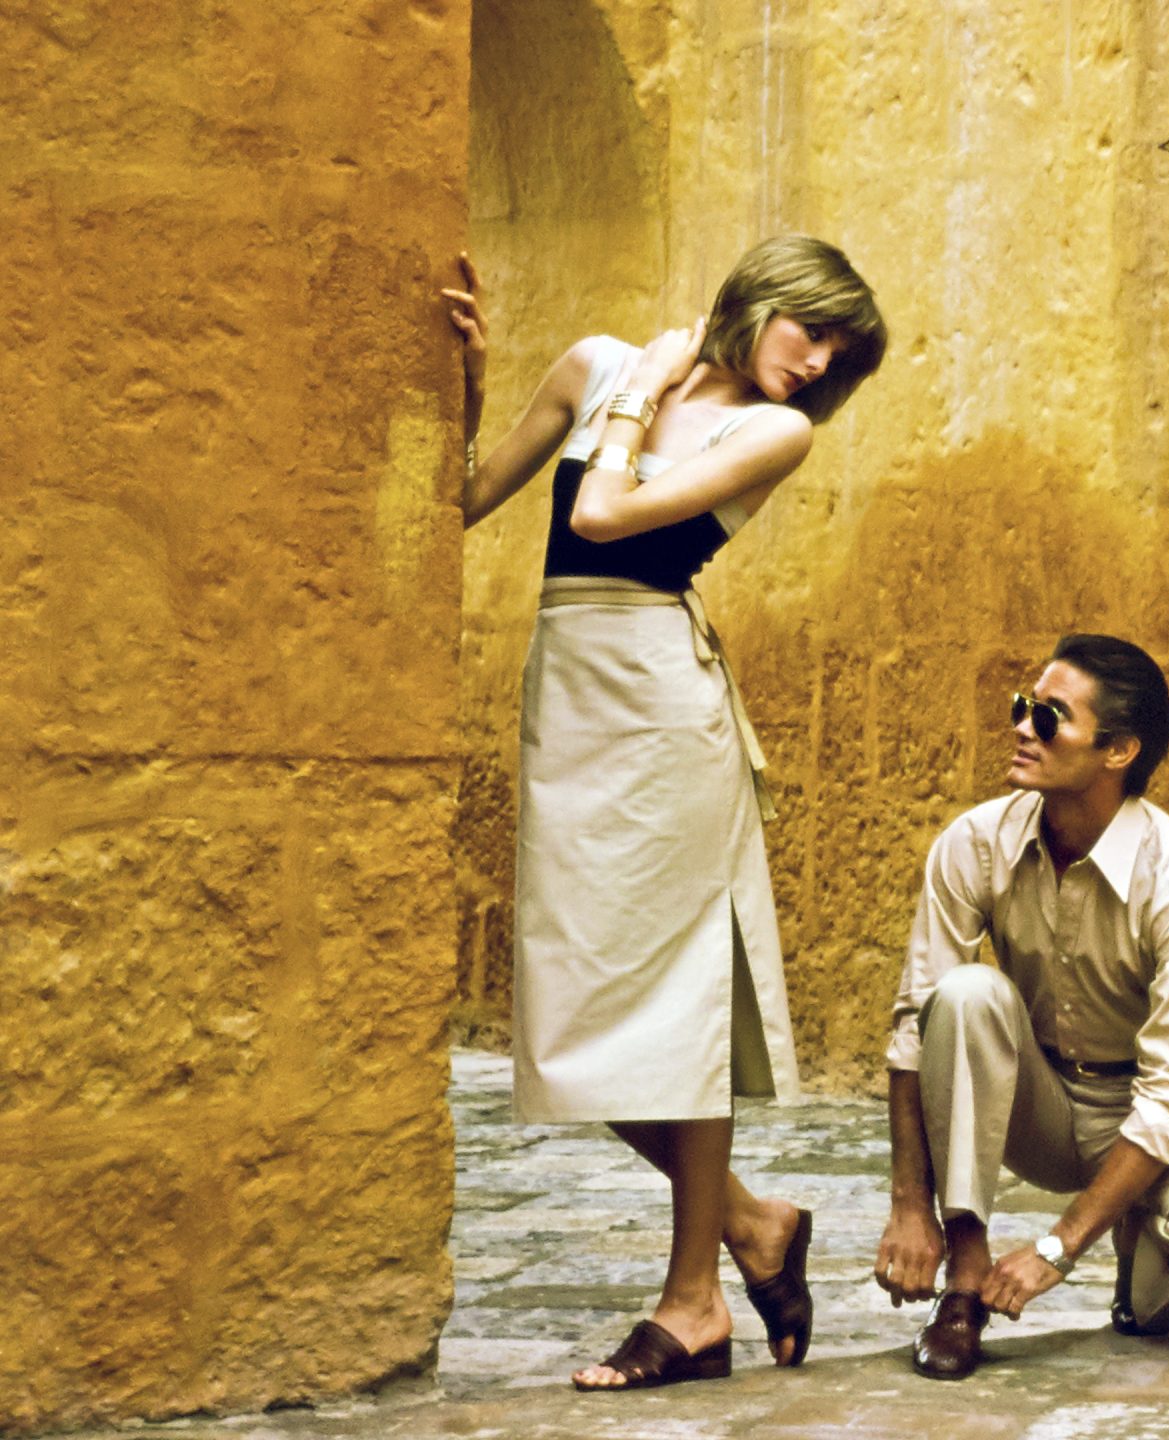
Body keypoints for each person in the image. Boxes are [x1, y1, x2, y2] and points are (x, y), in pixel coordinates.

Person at [442, 236, 888, 1391]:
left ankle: (693, 1305)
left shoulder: (771, 432)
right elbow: (459, 506)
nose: (817, 364)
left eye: (838, 355)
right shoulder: (590, 365)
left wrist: (641, 391)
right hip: (568, 700)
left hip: (662, 709)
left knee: (681, 1012)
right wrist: (475, 390)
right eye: (813, 332)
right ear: (762, 299)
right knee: (567, 1025)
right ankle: (752, 1223)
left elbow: (601, 515)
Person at [873, 634, 1169, 1380]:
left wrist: (1058, 1248)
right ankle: (964, 1283)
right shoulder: (975, 842)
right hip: (1031, 1101)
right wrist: (909, 1205)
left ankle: (1139, 1280)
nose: (1021, 728)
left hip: (1135, 1108)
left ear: (1118, 751)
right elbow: (913, 1028)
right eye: (1023, 706)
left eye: (1049, 717)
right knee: (964, 994)